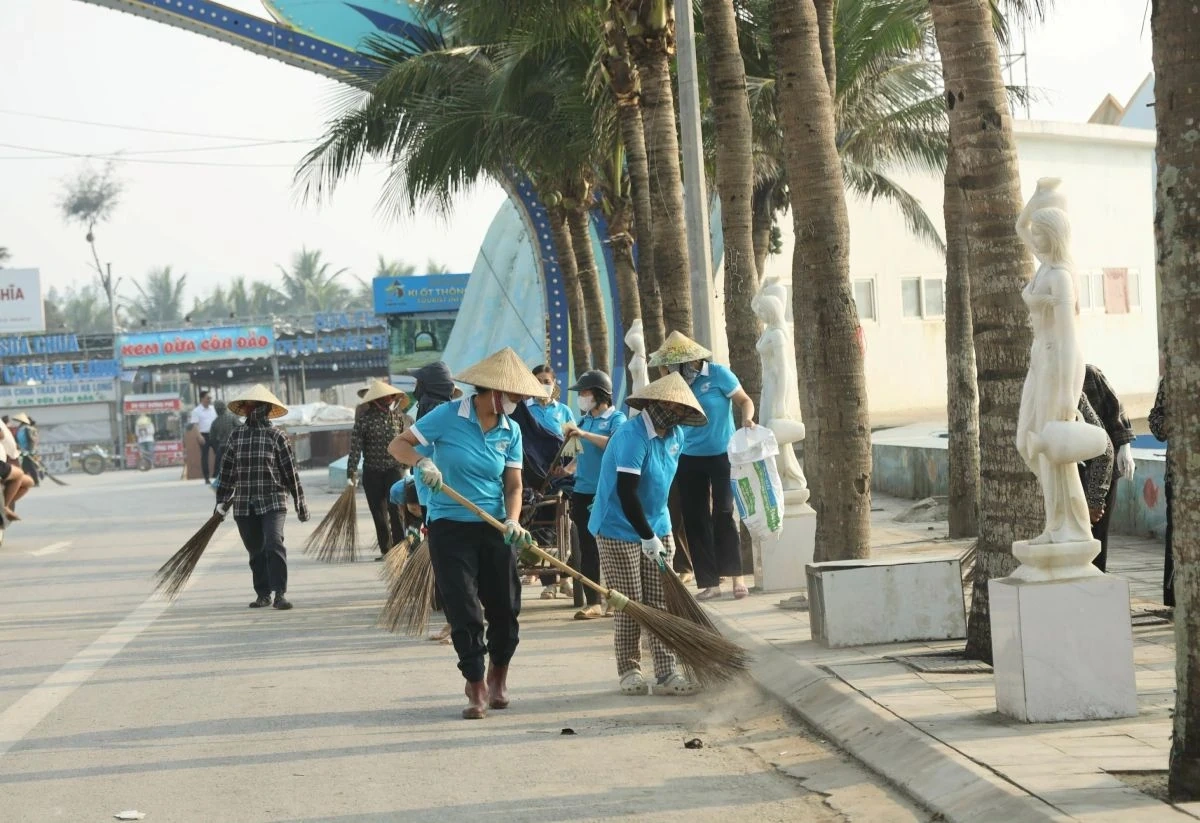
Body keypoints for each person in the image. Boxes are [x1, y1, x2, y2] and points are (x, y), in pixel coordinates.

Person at [387, 347, 542, 719]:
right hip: (449, 527)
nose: (518, 403)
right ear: (493, 391)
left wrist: (514, 521)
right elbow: (399, 445)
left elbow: (514, 485)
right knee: (465, 609)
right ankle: (474, 685)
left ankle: (497, 677)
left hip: (494, 527)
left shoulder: (512, 430)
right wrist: (423, 461)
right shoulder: (447, 416)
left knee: (505, 608)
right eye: (515, 396)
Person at [589, 372, 707, 695]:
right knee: (631, 601)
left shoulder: (677, 436)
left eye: (682, 409)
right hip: (617, 527)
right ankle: (629, 669)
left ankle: (667, 672)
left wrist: (661, 532)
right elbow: (627, 493)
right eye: (673, 407)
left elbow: (665, 487)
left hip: (658, 524)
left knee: (660, 601)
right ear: (658, 404)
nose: (677, 414)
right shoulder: (631, 437)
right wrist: (645, 535)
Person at [649, 331, 756, 601]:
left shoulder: (719, 374)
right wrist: (667, 374)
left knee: (724, 511)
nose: (673, 369)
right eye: (669, 365)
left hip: (722, 454)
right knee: (695, 518)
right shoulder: (676, 383)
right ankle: (709, 582)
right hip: (687, 457)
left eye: (677, 364)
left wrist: (748, 419)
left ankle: (736, 577)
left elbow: (745, 400)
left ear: (692, 361)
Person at [214, 385, 309, 610]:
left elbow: (290, 473)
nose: (246, 409)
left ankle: (280, 594)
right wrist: (220, 501)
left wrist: (300, 502)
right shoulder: (236, 436)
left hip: (273, 501)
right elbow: (227, 471)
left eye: (250, 405)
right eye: (245, 405)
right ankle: (263, 594)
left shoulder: (277, 436)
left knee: (274, 543)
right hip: (244, 503)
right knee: (255, 550)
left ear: (261, 407)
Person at [561, 369, 626, 619]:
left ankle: (615, 598)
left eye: (585, 392)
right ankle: (594, 601)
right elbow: (579, 454)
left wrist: (585, 435)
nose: (582, 397)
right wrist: (566, 462)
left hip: (607, 492)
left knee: (611, 547)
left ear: (600, 395)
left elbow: (614, 444)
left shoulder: (616, 419)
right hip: (582, 491)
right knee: (587, 548)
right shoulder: (584, 420)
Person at [348, 380, 412, 559]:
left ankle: (401, 549)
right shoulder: (364, 422)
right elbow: (355, 450)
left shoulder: (399, 419)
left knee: (396, 511)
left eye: (391, 397)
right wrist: (351, 473)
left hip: (395, 471)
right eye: (387, 397)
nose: (390, 399)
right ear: (377, 399)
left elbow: (404, 444)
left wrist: (407, 466)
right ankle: (387, 550)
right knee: (378, 513)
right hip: (372, 472)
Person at [1081, 365, 1136, 571]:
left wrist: (1125, 447)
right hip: (1074, 466)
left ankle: (1097, 576)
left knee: (1098, 530)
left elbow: (1117, 409)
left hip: (1105, 463)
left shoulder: (1089, 374)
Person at [1150, 375, 1172, 607]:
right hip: (1180, 479)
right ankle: (1175, 601)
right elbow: (1156, 418)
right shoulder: (1176, 375)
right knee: (1177, 541)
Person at [0, 422, 33, 521]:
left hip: (11, 458)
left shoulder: (22, 430)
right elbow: (8, 442)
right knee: (19, 474)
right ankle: (4, 507)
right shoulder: (26, 429)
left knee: (28, 481)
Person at [190, 391, 219, 485]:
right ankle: (206, 477)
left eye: (210, 398)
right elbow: (195, 425)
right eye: (208, 398)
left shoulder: (213, 409)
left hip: (214, 435)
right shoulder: (196, 411)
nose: (209, 400)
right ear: (202, 399)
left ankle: (217, 474)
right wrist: (199, 436)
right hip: (203, 435)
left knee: (219, 455)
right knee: (204, 457)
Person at [207, 400, 240, 479]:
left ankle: (216, 475)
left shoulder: (215, 422)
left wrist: (216, 449)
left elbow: (212, 438)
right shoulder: (232, 417)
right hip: (234, 445)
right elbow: (240, 427)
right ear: (225, 408)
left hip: (222, 446)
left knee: (218, 462)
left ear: (216, 410)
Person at [12, 413, 40, 485]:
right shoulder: (20, 429)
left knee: (30, 466)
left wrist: (29, 451)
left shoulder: (27, 429)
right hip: (23, 450)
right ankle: (25, 481)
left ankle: (35, 481)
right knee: (25, 467)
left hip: (28, 451)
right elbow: (17, 440)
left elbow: (31, 440)